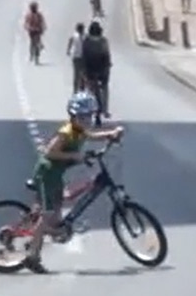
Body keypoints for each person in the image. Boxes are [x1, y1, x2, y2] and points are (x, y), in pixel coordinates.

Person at [24, 92, 125, 273]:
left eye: (90, 116)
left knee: (56, 217)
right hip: (47, 175)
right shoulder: (67, 132)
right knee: (47, 217)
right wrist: (75, 156)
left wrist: (111, 134)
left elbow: (92, 136)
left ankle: (52, 232)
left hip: (56, 176)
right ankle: (32, 255)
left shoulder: (79, 130)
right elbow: (50, 152)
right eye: (83, 116)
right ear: (73, 115)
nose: (87, 120)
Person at [80, 21, 112, 123]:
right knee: (105, 88)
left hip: (90, 70)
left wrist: (83, 70)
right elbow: (107, 55)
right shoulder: (103, 41)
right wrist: (108, 66)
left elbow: (83, 56)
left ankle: (89, 109)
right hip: (102, 70)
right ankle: (105, 109)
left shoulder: (86, 41)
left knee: (90, 89)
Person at [66, 22, 86, 91]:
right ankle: (75, 90)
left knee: (83, 75)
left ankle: (82, 88)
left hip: (83, 57)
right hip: (77, 57)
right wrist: (68, 50)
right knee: (77, 74)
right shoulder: (74, 36)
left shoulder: (85, 36)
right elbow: (70, 42)